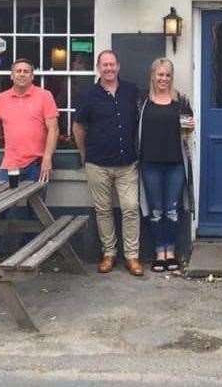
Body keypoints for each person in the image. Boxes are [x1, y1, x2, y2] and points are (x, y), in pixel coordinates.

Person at [72, 50, 143, 276]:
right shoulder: (88, 95)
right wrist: (83, 154)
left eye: (112, 64)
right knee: (103, 211)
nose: (109, 69)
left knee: (131, 208)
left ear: (118, 66)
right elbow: (78, 126)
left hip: (127, 163)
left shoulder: (131, 91)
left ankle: (132, 256)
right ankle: (109, 254)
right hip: (97, 163)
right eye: (105, 65)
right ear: (98, 67)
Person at [138, 58, 194, 273]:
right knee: (156, 210)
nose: (163, 79)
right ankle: (158, 252)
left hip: (175, 163)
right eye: (160, 75)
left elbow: (189, 128)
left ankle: (170, 252)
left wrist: (190, 128)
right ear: (153, 76)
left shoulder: (181, 100)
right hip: (150, 162)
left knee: (172, 210)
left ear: (172, 77)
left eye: (167, 75)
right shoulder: (143, 100)